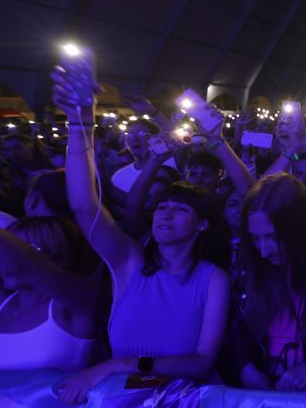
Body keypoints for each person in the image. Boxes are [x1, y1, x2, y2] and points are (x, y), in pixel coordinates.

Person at [50, 58, 229, 405]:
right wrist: (79, 124)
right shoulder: (129, 263)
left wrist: (120, 366)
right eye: (161, 207)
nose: (165, 215)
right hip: (121, 397)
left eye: (180, 210)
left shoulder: (213, 278)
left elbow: (200, 362)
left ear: (202, 224)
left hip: (183, 399)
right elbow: (85, 206)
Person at [226, 174, 306, 391]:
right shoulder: (252, 265)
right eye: (255, 238)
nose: (263, 250)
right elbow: (238, 327)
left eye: (273, 237)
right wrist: (246, 369)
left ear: (299, 229)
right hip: (262, 389)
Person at [0, 217, 98, 371]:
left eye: (25, 250)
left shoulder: (76, 302)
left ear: (60, 257)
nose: (7, 262)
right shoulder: (1, 303)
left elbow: (25, 266)